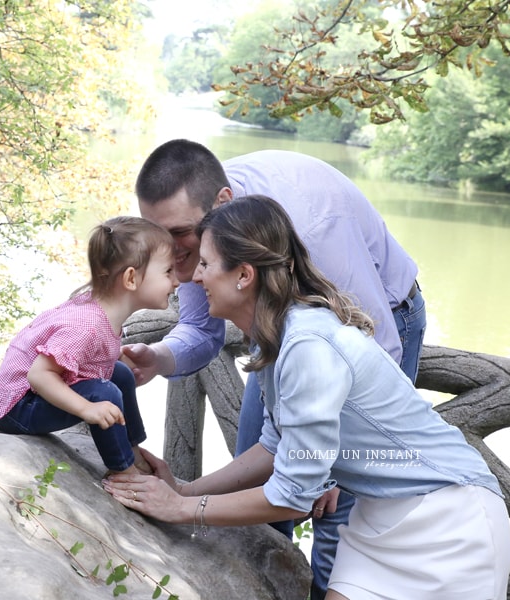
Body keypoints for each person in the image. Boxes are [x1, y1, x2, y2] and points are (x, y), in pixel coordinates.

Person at [105, 196, 510, 599]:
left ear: (243, 275)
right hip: (379, 515)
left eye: (206, 264)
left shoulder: (308, 345)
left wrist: (181, 510)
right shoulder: (276, 336)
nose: (195, 277)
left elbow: (292, 496)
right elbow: (274, 446)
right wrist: (186, 490)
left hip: (448, 518)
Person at [121, 139, 426, 597]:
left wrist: (328, 466)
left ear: (222, 203)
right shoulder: (208, 235)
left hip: (379, 322)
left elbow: (376, 346)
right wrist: (158, 358)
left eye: (180, 234)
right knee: (256, 485)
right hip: (280, 330)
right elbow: (201, 332)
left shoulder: (315, 227)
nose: (168, 249)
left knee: (336, 516)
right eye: (157, 232)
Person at [0, 216, 178, 475]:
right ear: (130, 279)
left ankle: (131, 448)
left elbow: (89, 353)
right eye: (168, 272)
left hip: (34, 394)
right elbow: (38, 375)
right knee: (105, 394)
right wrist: (88, 409)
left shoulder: (103, 309)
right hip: (19, 406)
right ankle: (123, 472)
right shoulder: (86, 326)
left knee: (121, 375)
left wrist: (114, 358)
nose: (176, 281)